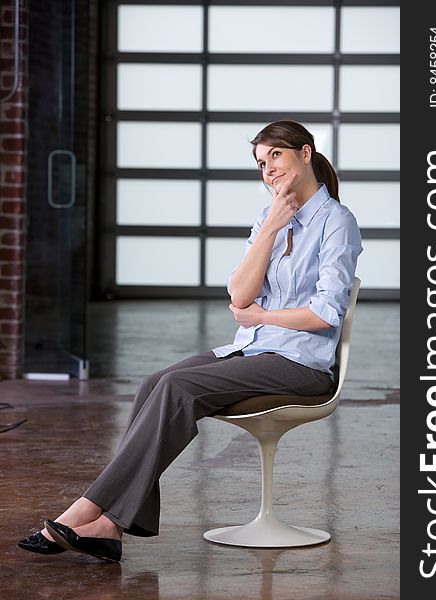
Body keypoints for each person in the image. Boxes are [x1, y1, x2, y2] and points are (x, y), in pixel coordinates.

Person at [17, 120, 363, 562]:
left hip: (301, 364)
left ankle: (87, 508)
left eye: (276, 155)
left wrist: (260, 315)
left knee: (178, 389)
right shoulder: (269, 217)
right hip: (254, 349)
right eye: (261, 162)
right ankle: (109, 528)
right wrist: (273, 226)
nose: (268, 169)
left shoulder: (337, 222)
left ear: (305, 153)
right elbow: (238, 294)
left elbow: (323, 314)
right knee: (153, 383)